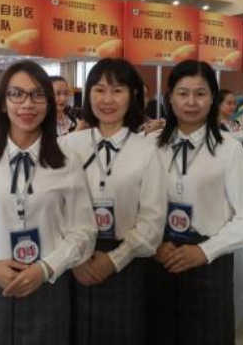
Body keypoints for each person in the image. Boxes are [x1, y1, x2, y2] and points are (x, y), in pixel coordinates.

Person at [0, 60, 97, 345]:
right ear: (3, 104)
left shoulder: (67, 161)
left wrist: (47, 267)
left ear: (49, 103)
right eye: (16, 94)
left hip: (47, 289)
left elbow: (84, 230)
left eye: (38, 95)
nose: (27, 104)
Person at [148, 60, 243, 345]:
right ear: (170, 98)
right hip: (158, 257)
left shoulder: (229, 149)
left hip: (209, 261)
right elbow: (136, 206)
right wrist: (153, 245)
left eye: (200, 93)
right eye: (183, 93)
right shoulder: (151, 145)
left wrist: (204, 250)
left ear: (212, 98)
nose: (191, 102)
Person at [59, 58, 166, 345]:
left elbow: (153, 220)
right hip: (71, 263)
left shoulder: (147, 151)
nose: (107, 99)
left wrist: (115, 259)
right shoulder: (68, 146)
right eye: (99, 90)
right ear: (88, 94)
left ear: (133, 95)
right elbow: (55, 209)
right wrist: (74, 258)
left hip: (126, 261)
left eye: (117, 90)